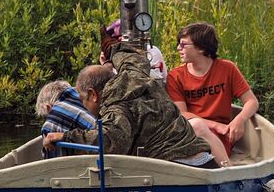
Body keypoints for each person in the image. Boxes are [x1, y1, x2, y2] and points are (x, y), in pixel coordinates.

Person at [43, 42, 216, 167]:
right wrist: (113, 48)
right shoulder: (135, 76)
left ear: (93, 94)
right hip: (205, 160)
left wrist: (65, 137)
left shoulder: (117, 106)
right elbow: (133, 59)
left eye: (83, 100)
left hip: (178, 168)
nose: (84, 105)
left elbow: (111, 141)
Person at [166, 22, 258, 157]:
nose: (178, 48)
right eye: (179, 44)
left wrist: (239, 120)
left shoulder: (227, 69)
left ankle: (227, 169)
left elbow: (251, 101)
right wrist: (216, 125)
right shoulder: (175, 76)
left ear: (201, 48)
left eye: (184, 44)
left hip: (220, 135)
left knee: (203, 146)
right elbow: (182, 114)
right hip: (189, 131)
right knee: (195, 128)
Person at [35, 79, 96, 159]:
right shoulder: (88, 97)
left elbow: (55, 166)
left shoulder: (53, 121)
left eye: (46, 117)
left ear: (48, 107)